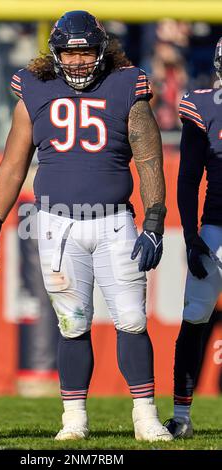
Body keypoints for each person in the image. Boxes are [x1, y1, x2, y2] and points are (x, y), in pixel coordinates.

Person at [0, 10, 172, 442]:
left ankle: (145, 415)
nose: (79, 61)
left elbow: (149, 159)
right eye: (70, 52)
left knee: (132, 320)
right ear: (56, 53)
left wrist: (155, 219)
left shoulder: (127, 85)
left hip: (115, 222)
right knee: (72, 324)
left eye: (85, 52)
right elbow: (13, 163)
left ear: (101, 52)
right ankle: (74, 420)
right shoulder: (35, 88)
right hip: (56, 225)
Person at [164, 37, 222, 438]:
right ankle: (181, 415)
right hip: (216, 226)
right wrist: (188, 232)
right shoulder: (204, 106)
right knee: (195, 316)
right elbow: (188, 178)